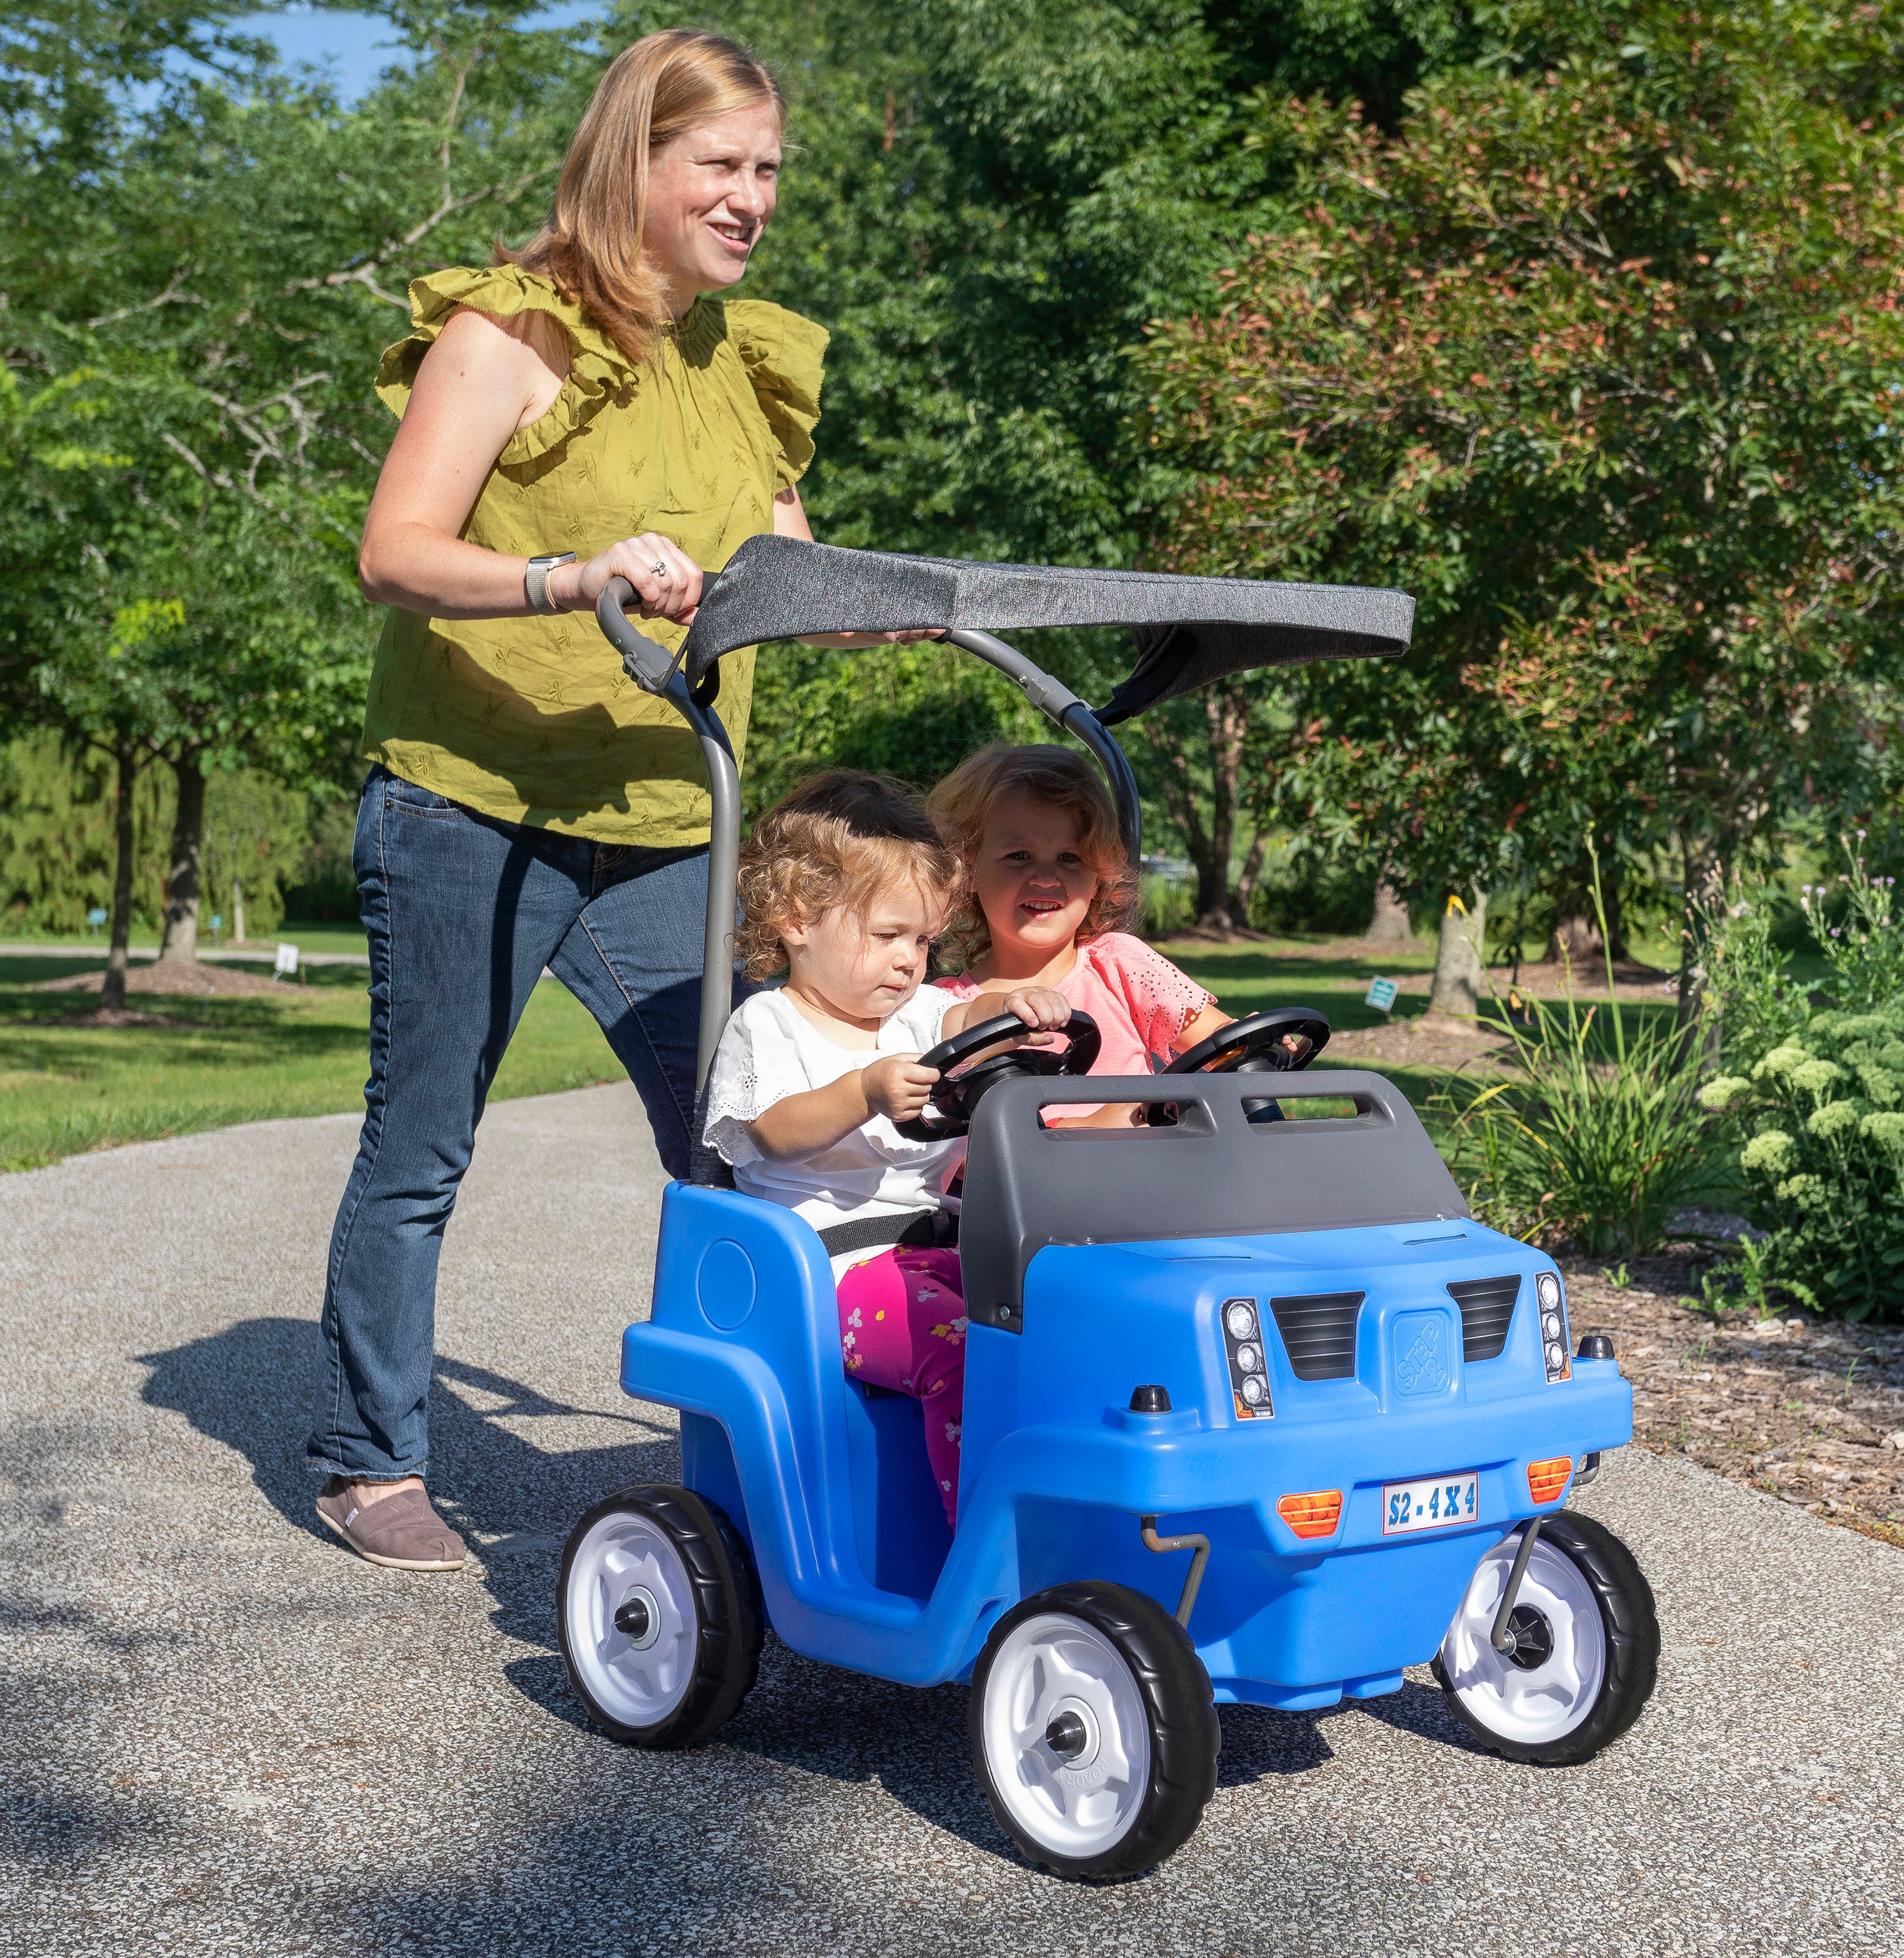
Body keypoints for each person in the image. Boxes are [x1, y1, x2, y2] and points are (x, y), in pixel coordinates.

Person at [311, 31, 921, 1573]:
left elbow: (788, 575)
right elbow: (394, 551)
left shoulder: (739, 364)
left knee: (737, 1144)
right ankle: (370, 1457)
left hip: (663, 814)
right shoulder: (505, 334)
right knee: (423, 1141)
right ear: (628, 169)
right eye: (719, 165)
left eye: (768, 169)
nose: (751, 198)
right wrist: (569, 576)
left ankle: (787, 1437)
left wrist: (884, 603)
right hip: (472, 800)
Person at [698, 772, 1071, 1526]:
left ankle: (1078, 1516)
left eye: (926, 941)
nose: (911, 961)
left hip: (940, 1254)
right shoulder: (769, 1026)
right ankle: (984, 1541)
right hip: (828, 1277)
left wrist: (1013, 1004)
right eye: (889, 936)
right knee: (966, 1358)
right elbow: (771, 1130)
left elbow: (969, 1011)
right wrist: (862, 1092)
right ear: (799, 920)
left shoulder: (918, 1014)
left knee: (1073, 1326)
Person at [928, 743, 1237, 1119]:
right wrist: (1088, 1126)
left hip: (1159, 1171)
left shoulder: (1120, 964)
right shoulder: (947, 1010)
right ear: (969, 871)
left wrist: (1251, 1046)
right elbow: (956, 1153)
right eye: (1019, 856)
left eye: (1070, 858)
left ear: (1098, 877)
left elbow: (1219, 1044)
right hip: (1030, 1176)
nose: (1045, 879)